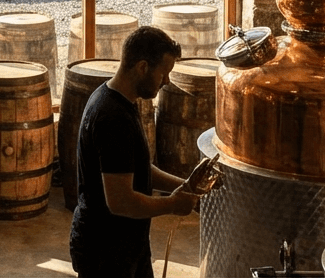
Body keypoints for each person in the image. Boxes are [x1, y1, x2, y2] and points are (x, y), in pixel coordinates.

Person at [69, 26, 218, 278]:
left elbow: (137, 167)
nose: (167, 81)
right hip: (105, 251)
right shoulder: (113, 118)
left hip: (127, 243)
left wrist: (186, 186)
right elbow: (120, 202)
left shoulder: (117, 99)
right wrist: (172, 204)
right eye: (164, 73)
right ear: (142, 68)